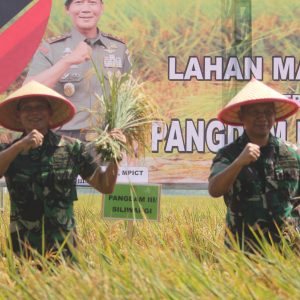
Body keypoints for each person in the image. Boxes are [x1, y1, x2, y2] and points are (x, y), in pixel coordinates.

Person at [0, 81, 125, 258]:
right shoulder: (9, 151)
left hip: (65, 249)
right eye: (27, 108)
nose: (34, 112)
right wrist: (20, 145)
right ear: (19, 115)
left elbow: (105, 185)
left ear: (50, 113)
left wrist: (115, 156)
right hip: (22, 250)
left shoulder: (72, 149)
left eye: (40, 107)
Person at [209, 79, 300, 252]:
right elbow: (214, 189)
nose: (262, 118)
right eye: (255, 112)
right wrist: (239, 162)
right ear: (242, 116)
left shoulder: (292, 153)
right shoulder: (228, 154)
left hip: (288, 251)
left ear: (274, 116)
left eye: (267, 112)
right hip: (243, 250)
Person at [24, 0, 131, 141]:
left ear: (101, 8)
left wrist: (129, 137)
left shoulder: (118, 48)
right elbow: (28, 89)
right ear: (67, 9)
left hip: (108, 138)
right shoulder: (51, 48)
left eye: (92, 2)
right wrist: (68, 60)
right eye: (79, 2)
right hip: (63, 139)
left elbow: (129, 97)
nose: (86, 9)